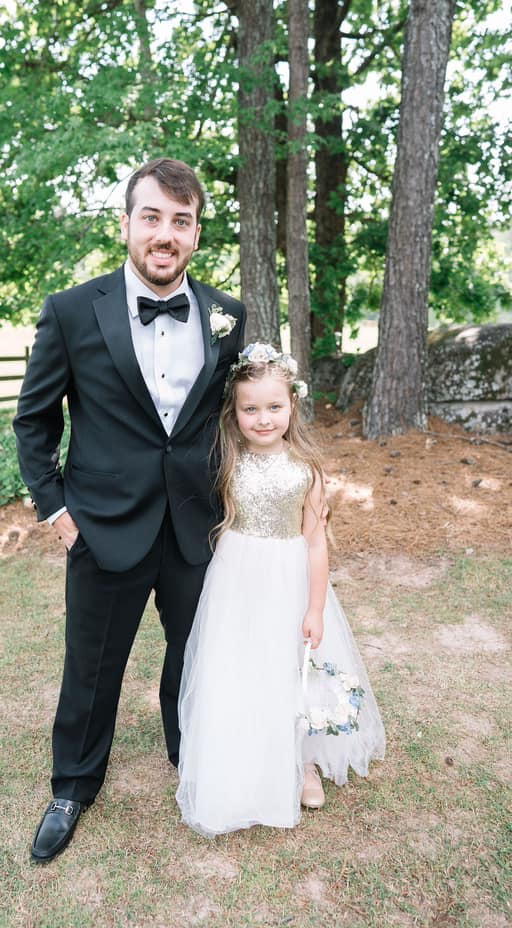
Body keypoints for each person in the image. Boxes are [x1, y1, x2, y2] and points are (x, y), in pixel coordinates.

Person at [13, 157, 246, 861]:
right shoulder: (70, 310)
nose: (165, 234)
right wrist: (56, 511)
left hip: (195, 522)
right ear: (126, 224)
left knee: (197, 652)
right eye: (152, 217)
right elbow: (34, 421)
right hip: (102, 524)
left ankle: (192, 756)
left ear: (196, 233)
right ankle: (72, 787)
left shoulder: (228, 316)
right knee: (91, 665)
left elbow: (239, 418)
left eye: (181, 221)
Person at [176, 342, 385, 837]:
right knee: (240, 660)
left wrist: (315, 608)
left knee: (290, 666)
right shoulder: (226, 458)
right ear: (235, 412)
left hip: (287, 578)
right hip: (235, 575)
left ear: (293, 404)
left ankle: (302, 761)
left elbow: (315, 544)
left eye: (274, 407)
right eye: (250, 409)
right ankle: (242, 750)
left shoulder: (305, 469)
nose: (263, 419)